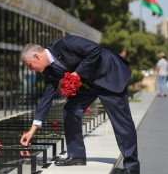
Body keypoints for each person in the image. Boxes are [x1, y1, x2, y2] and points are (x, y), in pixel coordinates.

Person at [19, 34, 140, 174]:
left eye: (30, 65)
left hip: (108, 75)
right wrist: (31, 131)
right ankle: (76, 155)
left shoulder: (65, 43)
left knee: (122, 122)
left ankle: (132, 167)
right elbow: (46, 98)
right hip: (88, 84)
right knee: (70, 110)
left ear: (36, 57)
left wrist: (77, 74)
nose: (30, 69)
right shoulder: (49, 71)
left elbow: (95, 49)